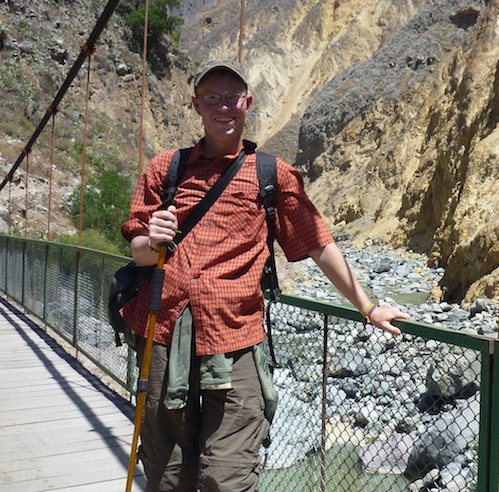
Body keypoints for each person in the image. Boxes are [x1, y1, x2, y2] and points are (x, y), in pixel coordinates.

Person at [121, 59, 410, 492]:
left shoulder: (271, 174)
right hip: (163, 333)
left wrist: (367, 307)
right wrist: (152, 240)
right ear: (196, 105)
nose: (224, 107)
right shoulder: (167, 169)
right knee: (167, 472)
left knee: (228, 477)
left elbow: (317, 243)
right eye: (213, 98)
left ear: (248, 103)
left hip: (234, 339)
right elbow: (139, 251)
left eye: (232, 97)